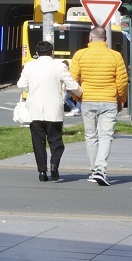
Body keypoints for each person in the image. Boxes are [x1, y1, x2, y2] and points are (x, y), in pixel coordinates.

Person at [72, 26, 128, 186]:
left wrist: (77, 96)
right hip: (109, 99)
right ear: (105, 39)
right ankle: (100, 169)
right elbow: (122, 81)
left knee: (90, 136)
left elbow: (72, 79)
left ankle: (94, 169)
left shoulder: (80, 55)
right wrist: (120, 99)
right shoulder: (115, 56)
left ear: (90, 38)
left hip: (87, 99)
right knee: (105, 135)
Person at [17, 37, 79, 181]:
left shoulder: (29, 66)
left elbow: (21, 84)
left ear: (37, 53)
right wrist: (81, 93)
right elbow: (72, 85)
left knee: (38, 142)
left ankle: (42, 172)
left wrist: (31, 89)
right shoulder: (59, 66)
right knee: (56, 140)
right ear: (52, 52)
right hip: (54, 110)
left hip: (35, 110)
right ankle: (54, 164)